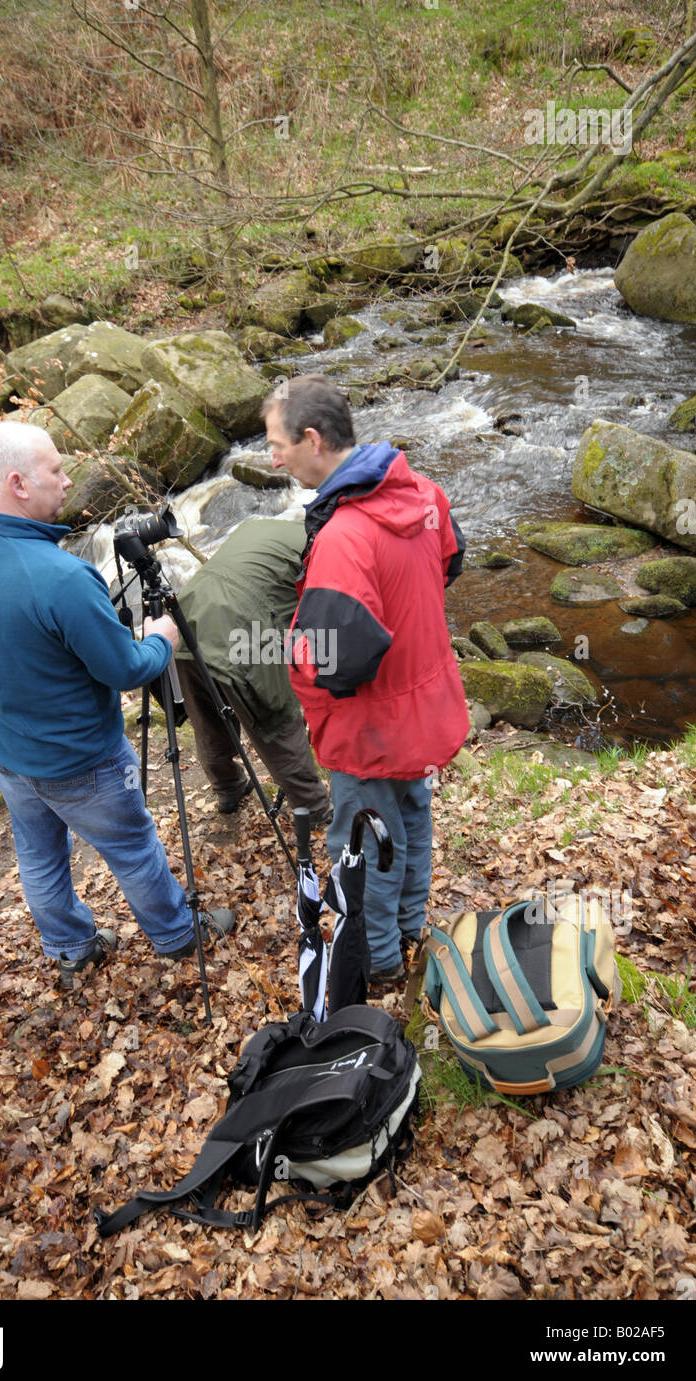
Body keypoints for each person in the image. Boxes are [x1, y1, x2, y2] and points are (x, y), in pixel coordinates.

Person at [0, 421, 232, 988]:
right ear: (19, 483)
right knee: (132, 846)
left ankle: (71, 948)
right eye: (56, 471)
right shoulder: (64, 578)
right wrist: (161, 637)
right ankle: (176, 935)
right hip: (81, 760)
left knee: (40, 853)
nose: (68, 481)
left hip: (4, 747)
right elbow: (125, 670)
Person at [263, 375, 468, 984]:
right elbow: (450, 563)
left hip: (370, 731)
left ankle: (378, 964)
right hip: (425, 708)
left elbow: (335, 662)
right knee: (410, 819)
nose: (271, 458)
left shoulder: (345, 536)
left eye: (276, 444)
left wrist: (287, 646)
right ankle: (409, 931)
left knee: (362, 845)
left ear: (312, 439)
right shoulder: (425, 494)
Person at [173, 516, 331, 825]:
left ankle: (229, 787)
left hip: (183, 620)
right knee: (276, 720)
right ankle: (313, 808)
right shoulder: (325, 546)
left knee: (207, 717)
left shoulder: (259, 526)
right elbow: (323, 612)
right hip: (239, 628)